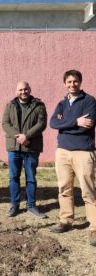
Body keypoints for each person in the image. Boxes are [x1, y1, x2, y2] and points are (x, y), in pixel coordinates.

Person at [49, 70, 96, 247]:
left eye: (75, 81)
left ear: (80, 82)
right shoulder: (61, 103)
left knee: (88, 190)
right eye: (69, 82)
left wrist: (65, 123)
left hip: (83, 152)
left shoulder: (89, 101)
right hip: (62, 152)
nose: (72, 84)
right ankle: (66, 220)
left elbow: (87, 126)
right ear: (64, 83)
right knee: (64, 188)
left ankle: (94, 227)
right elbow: (53, 123)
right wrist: (75, 121)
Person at [2, 81, 47, 218]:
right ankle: (14, 205)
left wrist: (26, 136)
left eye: (25, 89)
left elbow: (42, 123)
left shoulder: (39, 105)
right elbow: (5, 123)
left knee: (31, 178)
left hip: (31, 147)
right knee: (13, 177)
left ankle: (31, 205)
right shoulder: (10, 105)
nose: (23, 92)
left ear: (30, 89)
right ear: (16, 91)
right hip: (14, 147)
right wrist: (19, 137)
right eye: (20, 90)